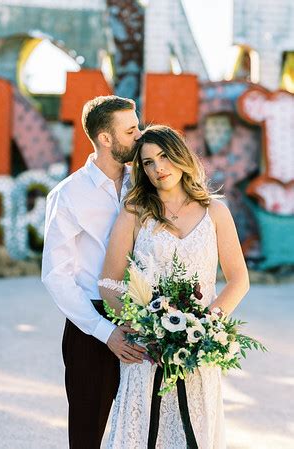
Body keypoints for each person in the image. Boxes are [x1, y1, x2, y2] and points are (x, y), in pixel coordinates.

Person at [99, 125, 250, 448]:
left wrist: (207, 325)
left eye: (164, 157)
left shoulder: (216, 212)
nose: (158, 169)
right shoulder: (135, 212)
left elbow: (239, 279)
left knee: (191, 431)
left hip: (197, 351)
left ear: (181, 157)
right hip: (146, 352)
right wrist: (138, 325)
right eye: (148, 163)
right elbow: (109, 282)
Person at [41, 95, 146, 449]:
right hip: (90, 324)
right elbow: (56, 275)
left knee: (145, 428)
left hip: (148, 318)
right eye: (131, 130)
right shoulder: (68, 195)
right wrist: (105, 331)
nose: (139, 135)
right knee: (87, 434)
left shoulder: (146, 186)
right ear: (105, 138)